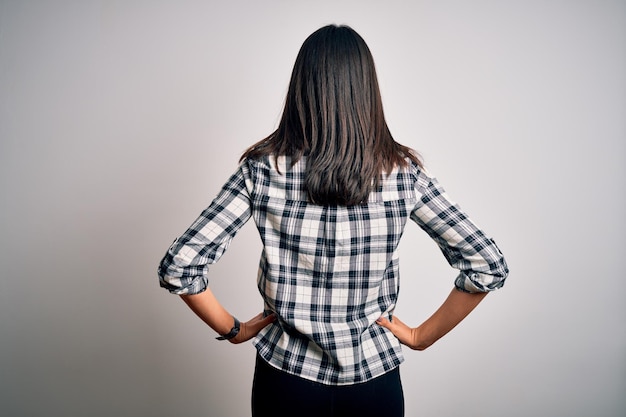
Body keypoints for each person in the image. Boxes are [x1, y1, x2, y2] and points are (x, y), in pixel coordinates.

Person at [158, 24, 509, 417]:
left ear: (301, 89)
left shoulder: (262, 170)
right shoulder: (402, 174)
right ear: (366, 92)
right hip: (374, 385)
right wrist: (419, 337)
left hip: (285, 382)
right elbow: (487, 264)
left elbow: (180, 266)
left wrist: (235, 330)